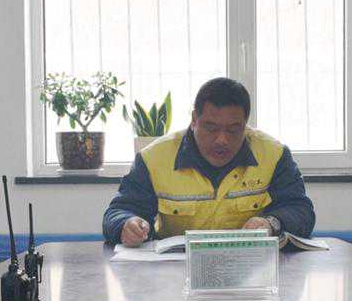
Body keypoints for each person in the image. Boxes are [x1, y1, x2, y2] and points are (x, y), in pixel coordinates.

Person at [102, 76, 315, 244]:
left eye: (233, 130)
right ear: (194, 120)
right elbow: (118, 211)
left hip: (253, 268)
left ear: (246, 125)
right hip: (174, 271)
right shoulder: (154, 158)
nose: (222, 140)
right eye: (211, 128)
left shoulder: (273, 155)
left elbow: (301, 211)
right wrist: (126, 224)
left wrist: (272, 223)